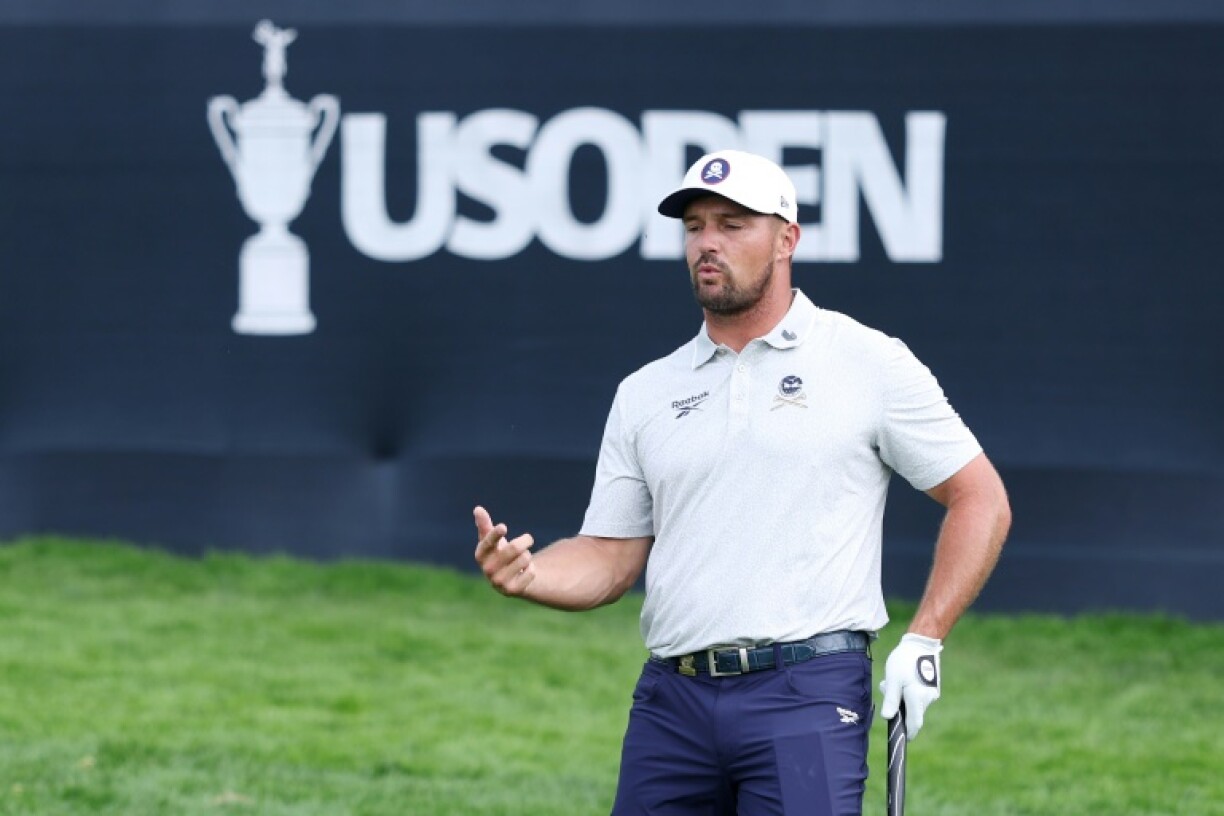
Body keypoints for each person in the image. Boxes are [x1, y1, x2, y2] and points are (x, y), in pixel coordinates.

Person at [473, 149, 1011, 815]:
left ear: (787, 239)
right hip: (673, 703)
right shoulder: (646, 392)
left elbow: (979, 496)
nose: (707, 243)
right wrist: (533, 576)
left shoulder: (866, 360)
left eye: (732, 224)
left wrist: (926, 637)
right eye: (695, 226)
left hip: (809, 695)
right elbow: (610, 557)